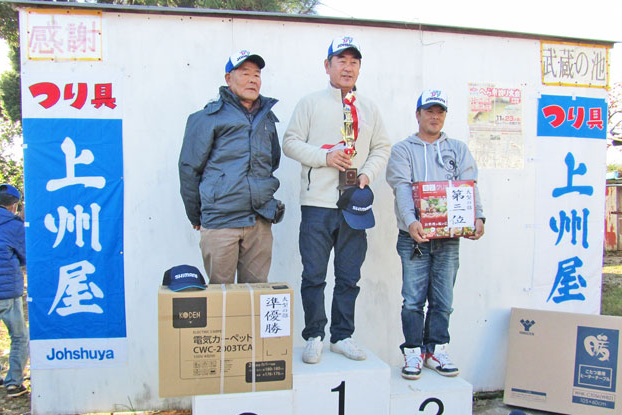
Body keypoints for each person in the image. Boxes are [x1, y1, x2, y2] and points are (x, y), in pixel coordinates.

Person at [283, 35, 390, 364]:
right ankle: (314, 335)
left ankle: (342, 336)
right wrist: (324, 157)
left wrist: (367, 174)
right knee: (314, 274)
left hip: (354, 204)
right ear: (327, 65)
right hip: (317, 204)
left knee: (349, 276)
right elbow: (290, 142)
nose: (347, 67)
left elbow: (381, 147)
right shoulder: (310, 103)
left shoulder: (369, 108)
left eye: (354, 62)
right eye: (341, 60)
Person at [386, 89, 485, 380]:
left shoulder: (458, 149)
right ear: (418, 114)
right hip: (413, 237)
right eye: (429, 111)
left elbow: (469, 185)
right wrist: (410, 221)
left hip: (449, 238)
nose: (434, 116)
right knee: (413, 299)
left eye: (440, 111)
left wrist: (478, 216)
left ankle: (437, 350)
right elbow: (402, 188)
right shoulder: (403, 149)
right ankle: (413, 351)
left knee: (444, 299)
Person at [179, 49, 284, 284]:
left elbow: (273, 161)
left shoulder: (267, 118)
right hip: (220, 221)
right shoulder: (207, 118)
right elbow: (189, 168)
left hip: (259, 221)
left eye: (256, 74)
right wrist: (196, 215)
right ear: (228, 78)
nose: (252, 79)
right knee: (221, 297)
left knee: (255, 295)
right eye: (245, 73)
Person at [0, 184, 28, 397]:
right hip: (6, 290)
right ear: (14, 205)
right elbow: (25, 256)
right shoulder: (14, 225)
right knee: (18, 336)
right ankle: (14, 382)